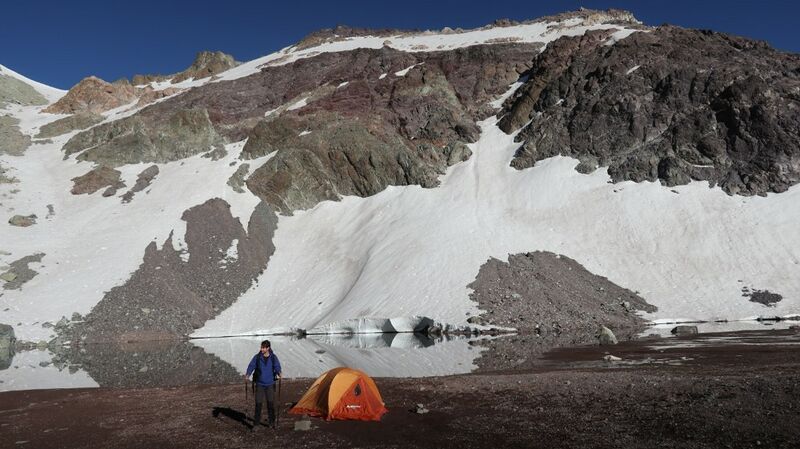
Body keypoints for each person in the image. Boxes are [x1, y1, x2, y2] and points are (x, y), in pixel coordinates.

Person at [245, 340, 282, 430]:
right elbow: (251, 366)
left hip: (270, 384)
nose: (261, 349)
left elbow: (277, 366)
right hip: (260, 384)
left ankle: (272, 423)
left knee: (270, 404)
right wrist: (248, 374)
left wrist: (279, 372)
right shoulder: (257, 357)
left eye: (263, 348)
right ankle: (256, 424)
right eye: (261, 347)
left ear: (268, 348)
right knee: (258, 404)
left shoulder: (273, 358)